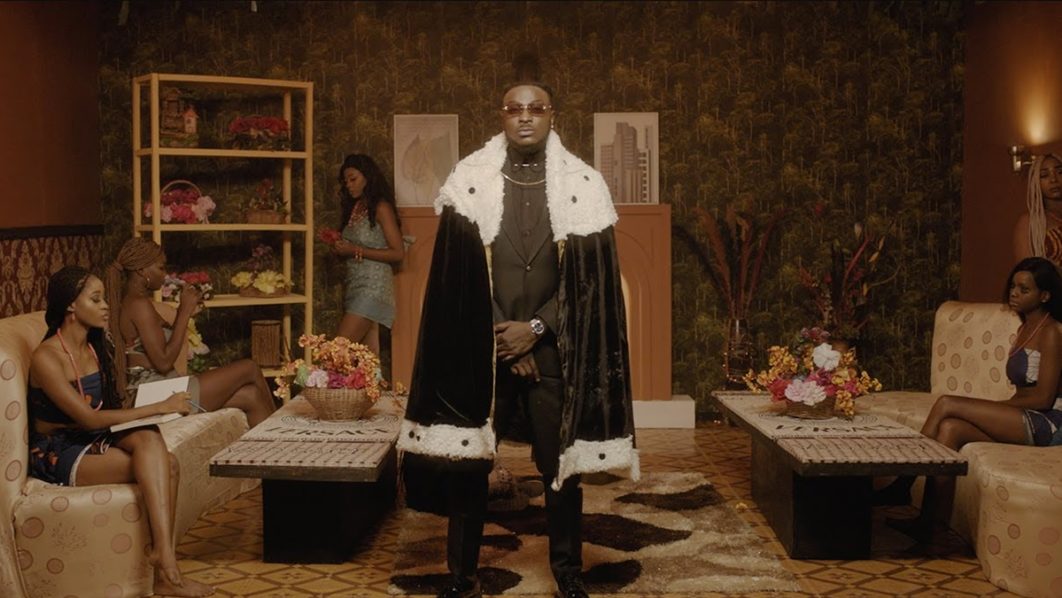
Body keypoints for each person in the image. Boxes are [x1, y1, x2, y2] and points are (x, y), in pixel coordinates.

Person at [398, 64, 638, 598]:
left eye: (535, 108)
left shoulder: (583, 186)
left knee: (560, 471)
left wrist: (534, 329)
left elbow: (588, 283)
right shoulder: (469, 182)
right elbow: (457, 279)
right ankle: (461, 579)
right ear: (501, 117)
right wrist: (503, 338)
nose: (525, 117)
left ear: (552, 116)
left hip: (554, 351)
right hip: (483, 351)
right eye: (514, 109)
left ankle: (568, 574)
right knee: (469, 468)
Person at [28, 266, 214, 597]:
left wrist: (151, 410)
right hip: (59, 448)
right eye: (96, 299)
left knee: (151, 441)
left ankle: (163, 559)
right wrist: (159, 406)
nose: (105, 306)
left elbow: (105, 409)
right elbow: (88, 418)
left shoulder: (95, 346)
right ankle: (166, 568)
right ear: (71, 305)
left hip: (93, 435)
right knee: (167, 466)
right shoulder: (47, 357)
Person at [879, 257, 1062, 542]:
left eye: (1024, 289)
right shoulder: (1024, 328)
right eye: (1013, 286)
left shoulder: (1051, 332)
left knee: (947, 403)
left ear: (1045, 296)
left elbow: (1043, 398)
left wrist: (994, 408)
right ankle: (933, 527)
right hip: (1026, 413)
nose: (1014, 293)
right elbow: (1023, 393)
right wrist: (995, 409)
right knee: (950, 429)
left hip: (1048, 423)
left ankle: (903, 482)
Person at [106, 237, 275, 427]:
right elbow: (163, 362)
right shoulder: (138, 305)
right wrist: (184, 313)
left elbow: (158, 349)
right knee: (250, 367)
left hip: (162, 386)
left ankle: (279, 441)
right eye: (161, 268)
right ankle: (283, 428)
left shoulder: (135, 301)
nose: (164, 274)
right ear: (141, 270)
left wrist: (183, 312)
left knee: (251, 396)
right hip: (155, 393)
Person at [331, 154, 405, 355]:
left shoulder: (381, 208)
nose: (348, 185)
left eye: (353, 179)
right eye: (345, 181)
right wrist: (340, 248)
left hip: (373, 287)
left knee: (336, 353)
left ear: (368, 177)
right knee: (367, 360)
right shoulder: (355, 207)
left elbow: (398, 252)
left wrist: (354, 250)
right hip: (354, 284)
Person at [1013, 153, 1062, 266]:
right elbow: (1026, 270)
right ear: (1035, 182)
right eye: (1044, 175)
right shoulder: (1029, 222)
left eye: (1060, 172)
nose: (1053, 179)